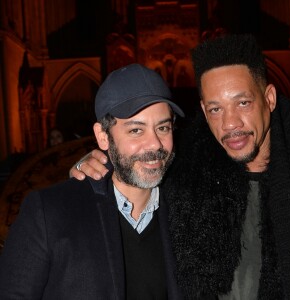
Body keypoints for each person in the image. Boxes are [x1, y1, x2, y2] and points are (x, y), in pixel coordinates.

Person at [70, 34, 290, 299]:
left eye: (243, 103)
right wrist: (94, 165)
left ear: (269, 98)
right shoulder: (185, 176)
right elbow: (135, 169)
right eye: (216, 109)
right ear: (203, 110)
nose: (230, 123)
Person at [0, 64, 192, 299]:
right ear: (103, 136)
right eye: (136, 130)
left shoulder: (190, 211)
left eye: (163, 127)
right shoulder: (49, 213)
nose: (155, 144)